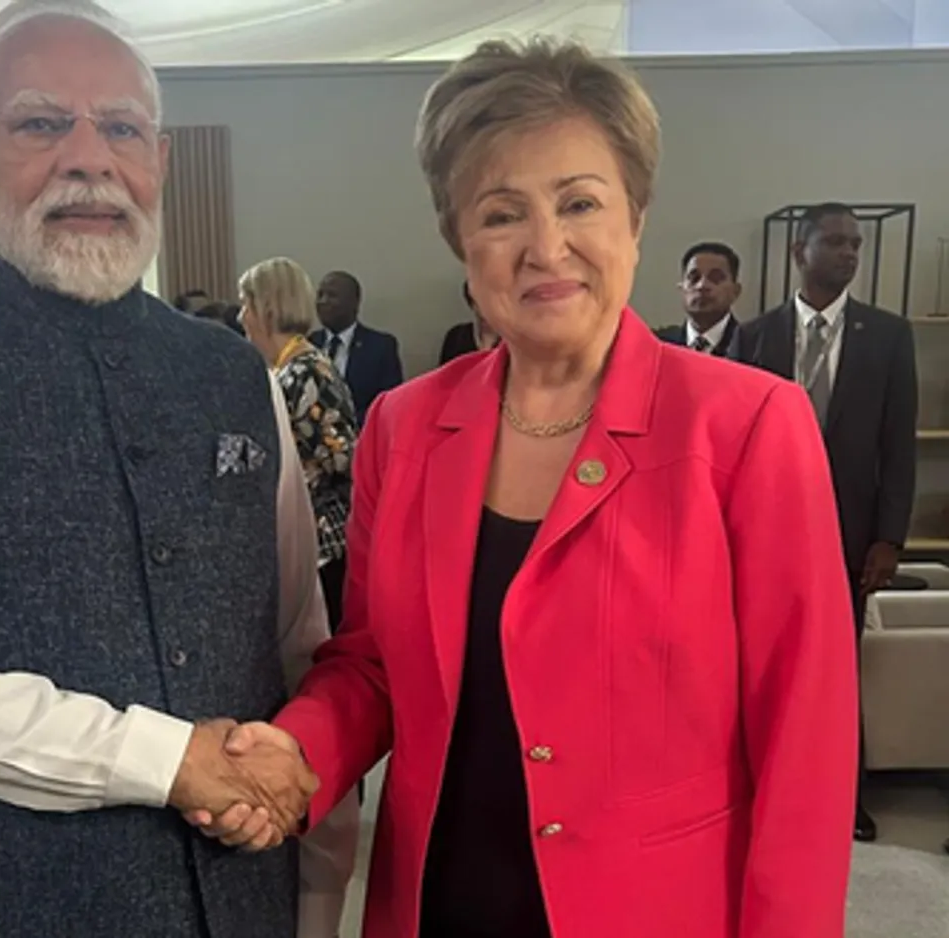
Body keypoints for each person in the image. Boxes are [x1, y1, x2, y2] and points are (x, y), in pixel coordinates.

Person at [193, 39, 858, 938]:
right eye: (503, 214)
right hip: (441, 901)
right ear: (460, 239)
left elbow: (806, 741)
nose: (547, 247)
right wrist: (295, 752)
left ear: (636, 217)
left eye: (580, 201)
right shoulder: (403, 424)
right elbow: (376, 664)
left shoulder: (748, 426)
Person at [0, 2, 353, 936]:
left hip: (237, 891)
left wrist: (315, 868)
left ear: (159, 161)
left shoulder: (231, 369)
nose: (89, 158)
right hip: (1, 896)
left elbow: (294, 633)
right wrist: (163, 757)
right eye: (42, 122)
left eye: (123, 128)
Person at [732, 201, 918, 844]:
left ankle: (844, 798)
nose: (848, 254)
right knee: (755, 666)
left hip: (849, 535)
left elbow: (899, 443)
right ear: (798, 251)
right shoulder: (754, 336)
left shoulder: (890, 336)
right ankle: (757, 788)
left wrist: (890, 537)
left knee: (835, 671)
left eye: (856, 245)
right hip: (761, 534)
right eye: (835, 242)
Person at [239, 257, 358, 633]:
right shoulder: (286, 369)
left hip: (324, 547)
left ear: (268, 307)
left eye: (246, 304)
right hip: (305, 543)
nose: (241, 317)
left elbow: (345, 461)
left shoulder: (306, 371)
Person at [310, 270, 403, 424]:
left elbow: (389, 402)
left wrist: (343, 425)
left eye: (332, 295)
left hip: (361, 435)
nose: (323, 301)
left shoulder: (380, 346)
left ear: (354, 302)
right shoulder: (308, 344)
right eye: (320, 295)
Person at [656, 241, 742, 355]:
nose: (702, 286)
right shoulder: (659, 344)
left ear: (735, 291)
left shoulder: (753, 347)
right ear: (682, 288)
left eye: (715, 278)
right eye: (694, 278)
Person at [439, 281, 501, 364]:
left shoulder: (513, 340)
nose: (481, 309)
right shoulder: (456, 337)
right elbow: (445, 375)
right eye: (475, 302)